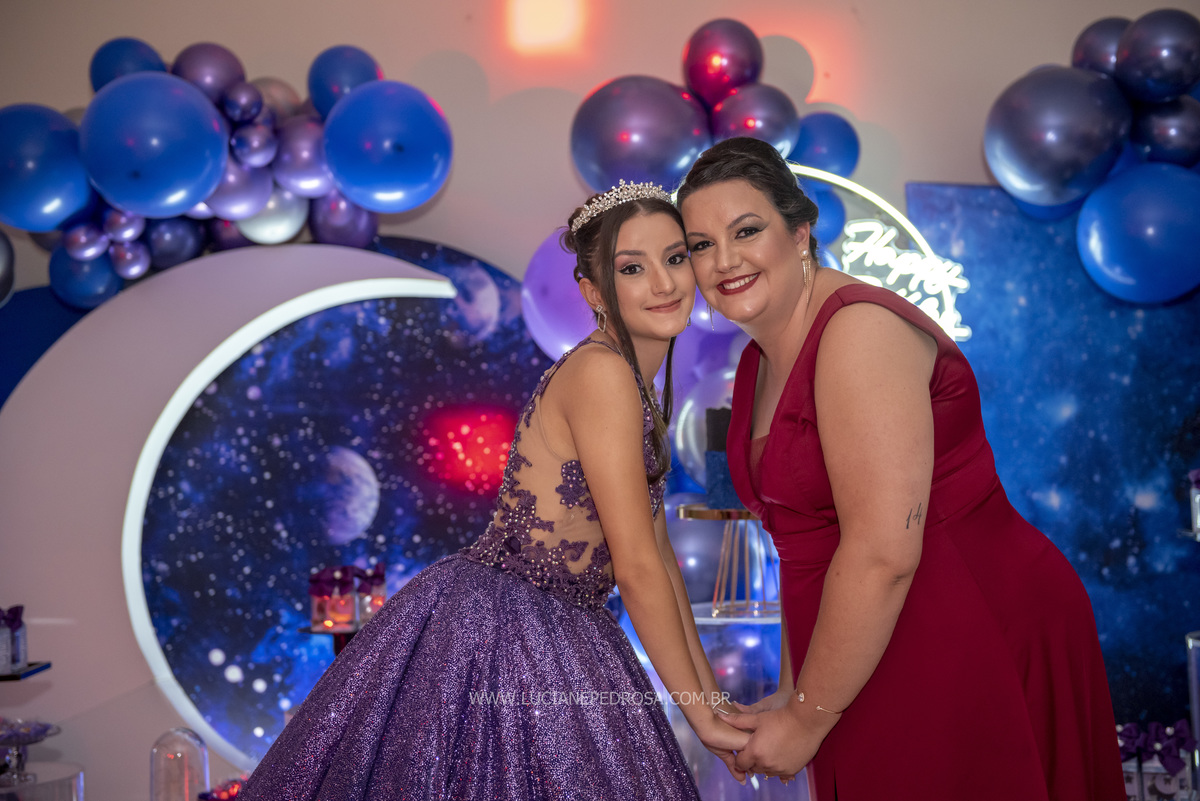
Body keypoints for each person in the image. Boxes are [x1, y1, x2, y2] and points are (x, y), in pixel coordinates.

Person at [239, 181, 749, 801]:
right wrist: (702, 722)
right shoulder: (603, 373)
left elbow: (660, 555)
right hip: (510, 626)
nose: (664, 283)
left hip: (554, 618)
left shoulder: (631, 379)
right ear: (593, 292)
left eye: (675, 258)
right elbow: (638, 568)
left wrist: (711, 701)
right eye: (632, 268)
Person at [675, 137, 1126, 801]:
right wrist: (799, 691)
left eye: (746, 231)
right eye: (700, 245)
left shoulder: (860, 331)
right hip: (863, 640)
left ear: (800, 233)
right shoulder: (756, 363)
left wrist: (807, 717)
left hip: (965, 618)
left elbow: (883, 552)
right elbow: (806, 550)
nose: (724, 260)